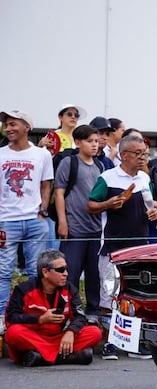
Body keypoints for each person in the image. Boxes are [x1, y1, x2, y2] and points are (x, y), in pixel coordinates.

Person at [87, 134, 157, 359]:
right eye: (138, 154)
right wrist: (108, 203)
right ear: (124, 154)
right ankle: (110, 342)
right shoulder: (107, 178)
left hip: (139, 246)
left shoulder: (144, 179)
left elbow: (151, 207)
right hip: (112, 246)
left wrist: (154, 213)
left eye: (144, 154)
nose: (142, 158)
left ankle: (134, 343)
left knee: (136, 295)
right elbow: (90, 205)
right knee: (110, 295)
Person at [0, 110, 54, 336]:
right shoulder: (0, 153)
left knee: (36, 271)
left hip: (34, 219)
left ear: (26, 127)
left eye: (13, 124)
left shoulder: (42, 155)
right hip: (6, 220)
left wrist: (42, 211)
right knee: (3, 270)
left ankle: (34, 313)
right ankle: (2, 316)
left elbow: (46, 185)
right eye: (6, 125)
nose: (8, 128)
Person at [4, 249, 102, 366]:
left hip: (59, 338)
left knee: (95, 332)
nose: (66, 273)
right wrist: (40, 319)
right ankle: (67, 357)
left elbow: (80, 316)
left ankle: (40, 357)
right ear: (45, 272)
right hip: (33, 338)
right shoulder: (23, 290)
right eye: (60, 270)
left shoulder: (69, 289)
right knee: (13, 333)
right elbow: (11, 318)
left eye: (66, 269)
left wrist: (71, 332)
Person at [53, 124, 104, 324]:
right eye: (90, 141)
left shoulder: (100, 165)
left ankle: (92, 312)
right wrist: (62, 222)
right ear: (78, 142)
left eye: (96, 141)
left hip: (96, 229)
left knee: (94, 274)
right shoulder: (69, 163)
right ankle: (68, 311)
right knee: (69, 273)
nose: (94, 145)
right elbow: (59, 192)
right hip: (74, 229)